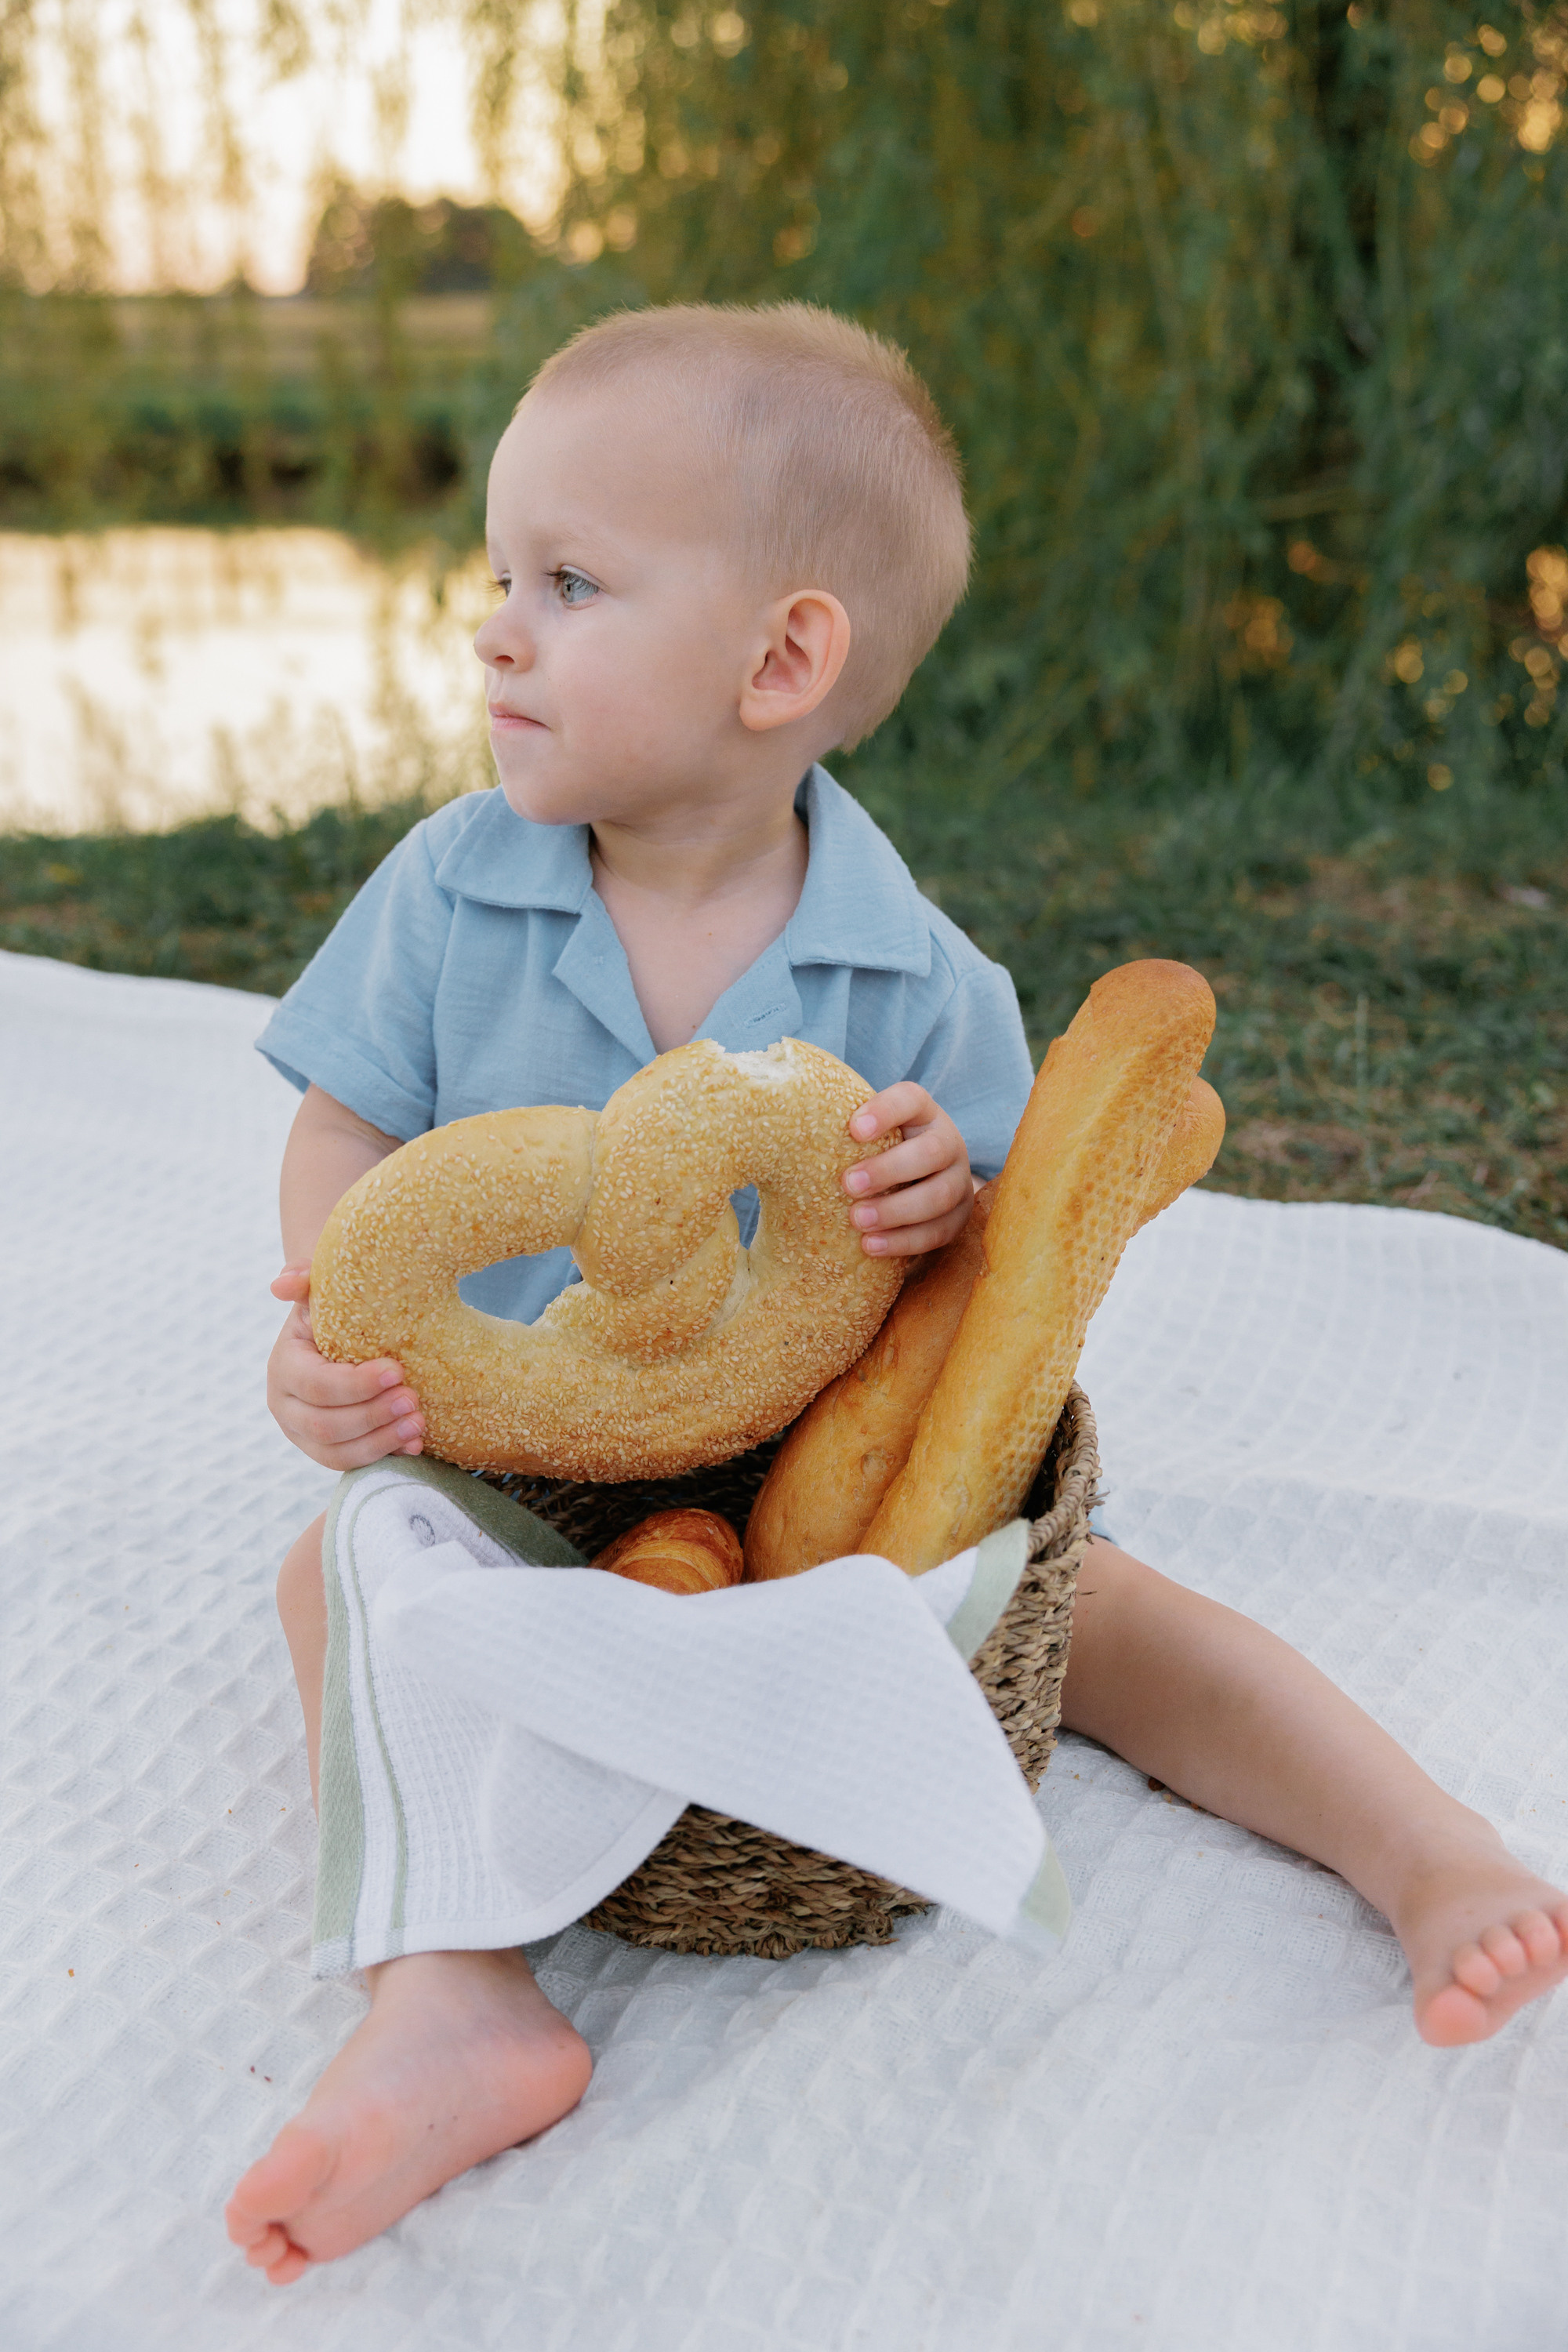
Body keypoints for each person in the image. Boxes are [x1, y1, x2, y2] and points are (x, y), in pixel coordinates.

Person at [226, 303, 1568, 2288]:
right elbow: (347, 1134)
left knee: (1096, 1603)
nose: (497, 629)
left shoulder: (908, 973)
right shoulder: (450, 887)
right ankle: (454, 1990)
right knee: (339, 1573)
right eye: (497, 579)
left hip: (816, 1503)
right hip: (522, 1460)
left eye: (572, 583)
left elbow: (1011, 1266)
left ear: (783, 658)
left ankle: (1417, 1840)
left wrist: (944, 1199)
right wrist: (333, 1327)